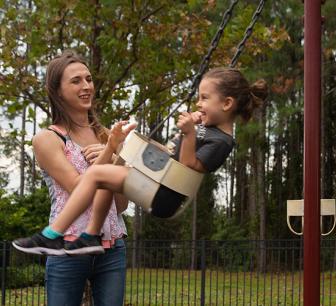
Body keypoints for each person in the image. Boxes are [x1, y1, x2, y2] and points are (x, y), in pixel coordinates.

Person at [14, 67, 268, 256]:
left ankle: (51, 235)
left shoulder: (222, 141)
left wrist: (190, 133)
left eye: (204, 98)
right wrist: (134, 142)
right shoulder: (208, 129)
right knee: (104, 178)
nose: (198, 104)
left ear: (226, 103)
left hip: (166, 195)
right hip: (160, 184)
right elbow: (171, 153)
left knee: (96, 174)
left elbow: (188, 166)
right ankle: (91, 236)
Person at [13, 50, 131, 305]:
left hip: (112, 249)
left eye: (88, 79)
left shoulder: (107, 135)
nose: (86, 86)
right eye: (76, 81)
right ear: (57, 91)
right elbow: (79, 188)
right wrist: (111, 151)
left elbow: (120, 206)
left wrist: (117, 157)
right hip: (66, 248)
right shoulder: (47, 139)